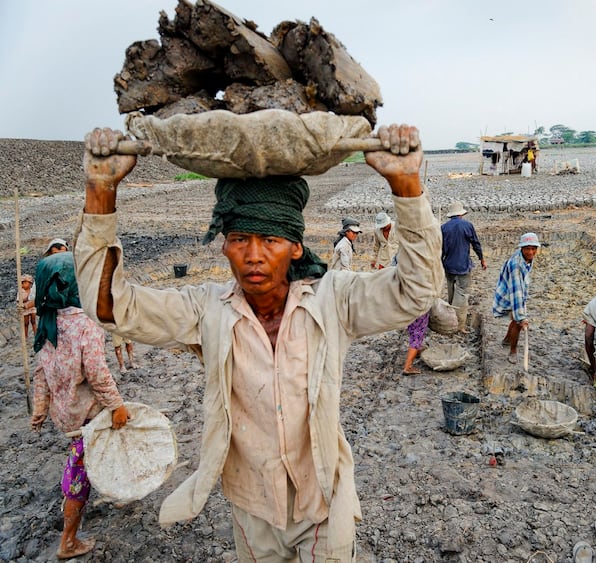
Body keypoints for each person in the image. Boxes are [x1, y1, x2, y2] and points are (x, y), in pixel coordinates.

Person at [75, 124, 443, 561]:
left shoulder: (334, 300)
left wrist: (406, 184)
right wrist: (101, 191)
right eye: (238, 240)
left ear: (295, 247)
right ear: (224, 246)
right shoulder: (207, 310)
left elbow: (417, 290)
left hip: (323, 498)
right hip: (253, 509)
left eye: (269, 240)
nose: (253, 255)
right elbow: (111, 308)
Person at [30, 251, 129, 560]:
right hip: (88, 416)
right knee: (78, 475)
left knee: (101, 454)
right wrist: (117, 405)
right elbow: (98, 374)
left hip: (66, 415)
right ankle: (68, 541)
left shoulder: (47, 323)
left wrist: (40, 410)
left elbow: (40, 373)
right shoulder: (85, 324)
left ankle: (117, 493)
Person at [492, 232, 541, 363]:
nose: (531, 252)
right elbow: (516, 291)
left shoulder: (527, 258)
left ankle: (507, 340)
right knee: (518, 323)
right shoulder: (516, 265)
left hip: (515, 291)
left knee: (516, 321)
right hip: (509, 294)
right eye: (527, 249)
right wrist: (521, 317)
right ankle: (513, 351)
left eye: (533, 248)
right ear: (522, 248)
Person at [440, 200, 487, 332]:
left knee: (451, 293)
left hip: (448, 265)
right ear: (461, 214)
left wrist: (439, 263)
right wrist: (481, 258)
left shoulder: (443, 228)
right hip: (463, 266)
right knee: (462, 294)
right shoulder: (467, 225)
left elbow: (440, 249)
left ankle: (449, 319)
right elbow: (475, 243)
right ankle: (459, 325)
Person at [18, 273, 37, 339]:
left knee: (33, 321)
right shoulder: (20, 292)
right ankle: (25, 336)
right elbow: (18, 300)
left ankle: (36, 334)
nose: (23, 285)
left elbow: (34, 298)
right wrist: (25, 300)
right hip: (25, 310)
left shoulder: (32, 291)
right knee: (26, 323)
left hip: (32, 308)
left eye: (25, 283)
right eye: (23, 283)